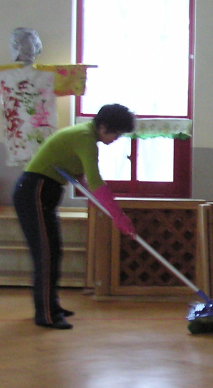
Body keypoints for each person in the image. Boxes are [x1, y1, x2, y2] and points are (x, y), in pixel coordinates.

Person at [13, 104, 136, 329]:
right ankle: (46, 314)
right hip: (34, 192)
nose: (117, 139)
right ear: (103, 126)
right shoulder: (84, 138)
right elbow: (96, 181)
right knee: (45, 254)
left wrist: (102, 206)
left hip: (44, 193)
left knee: (53, 252)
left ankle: (52, 306)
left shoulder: (86, 137)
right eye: (116, 133)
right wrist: (118, 216)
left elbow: (84, 180)